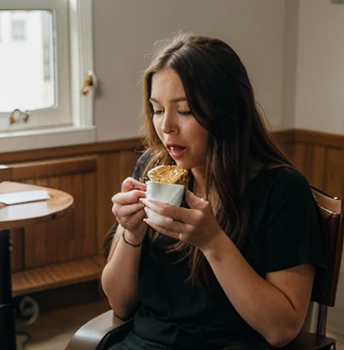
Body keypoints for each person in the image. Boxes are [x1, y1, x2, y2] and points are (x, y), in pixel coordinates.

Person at [101, 33, 324, 350]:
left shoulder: (281, 189)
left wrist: (213, 242)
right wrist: (131, 234)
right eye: (157, 109)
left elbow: (282, 329)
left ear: (227, 110)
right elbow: (120, 304)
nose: (166, 127)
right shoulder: (154, 170)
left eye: (186, 110)